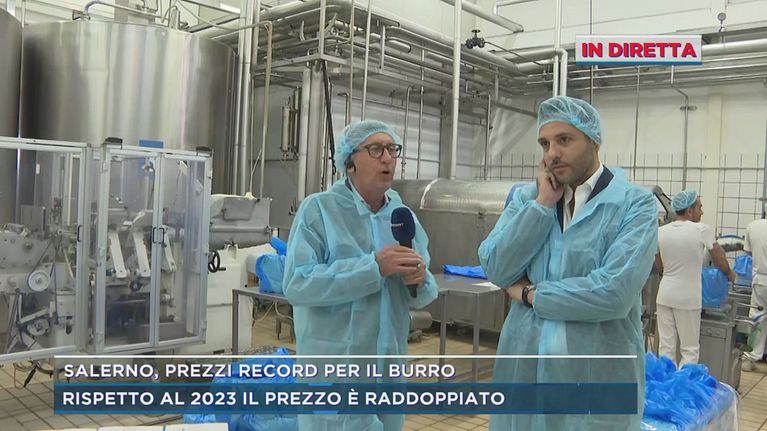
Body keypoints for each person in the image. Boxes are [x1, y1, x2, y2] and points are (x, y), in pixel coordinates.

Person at [478, 95, 658, 430]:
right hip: (525, 372)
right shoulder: (528, 198)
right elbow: (496, 268)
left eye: (564, 140)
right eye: (545, 143)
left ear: (594, 141)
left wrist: (531, 295)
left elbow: (613, 293)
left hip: (596, 381)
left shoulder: (634, 205)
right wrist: (543, 205)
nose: (551, 154)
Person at [283, 120, 438, 431]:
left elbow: (422, 291)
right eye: (376, 149)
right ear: (349, 162)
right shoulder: (319, 211)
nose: (388, 158)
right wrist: (373, 268)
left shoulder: (401, 215)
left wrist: (420, 280)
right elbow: (297, 283)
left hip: (388, 367)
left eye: (393, 149)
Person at [655, 190, 735, 367]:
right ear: (689, 211)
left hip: (664, 295)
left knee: (666, 348)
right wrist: (730, 274)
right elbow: (719, 259)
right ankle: (685, 383)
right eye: (699, 207)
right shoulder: (701, 230)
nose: (702, 212)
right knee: (689, 349)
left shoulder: (660, 231)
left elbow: (659, 265)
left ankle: (667, 383)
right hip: (688, 298)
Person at [742, 216, 767, 371]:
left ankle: (749, 359)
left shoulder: (753, 226)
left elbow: (748, 252)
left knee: (758, 318)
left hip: (760, 280)